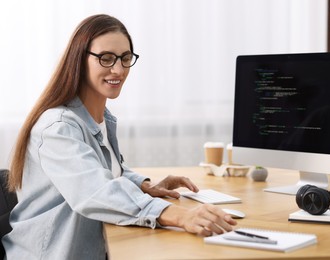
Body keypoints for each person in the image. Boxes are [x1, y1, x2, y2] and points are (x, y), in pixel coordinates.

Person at [2, 14, 236, 259]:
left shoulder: (100, 117)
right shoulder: (57, 128)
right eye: (106, 58)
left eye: (125, 58)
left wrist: (145, 185)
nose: (118, 69)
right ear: (80, 60)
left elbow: (106, 171)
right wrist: (182, 216)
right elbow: (94, 190)